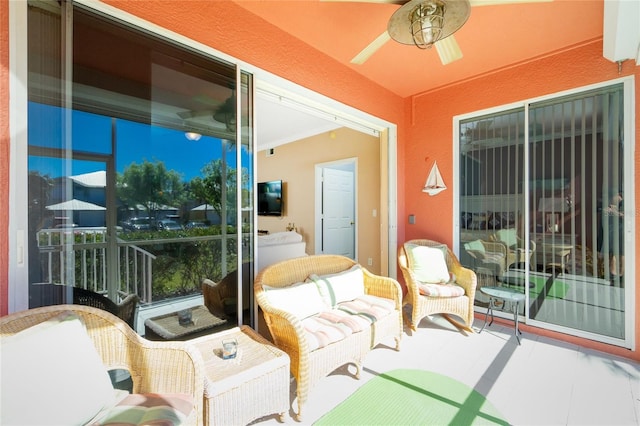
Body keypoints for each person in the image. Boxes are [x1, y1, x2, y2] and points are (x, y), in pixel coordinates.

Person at [603, 191, 624, 282]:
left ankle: (621, 275)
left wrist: (615, 212)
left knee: (622, 254)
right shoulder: (608, 208)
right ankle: (613, 274)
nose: (619, 198)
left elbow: (626, 217)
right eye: (617, 196)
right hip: (612, 233)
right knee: (613, 254)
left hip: (622, 233)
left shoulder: (623, 206)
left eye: (620, 196)